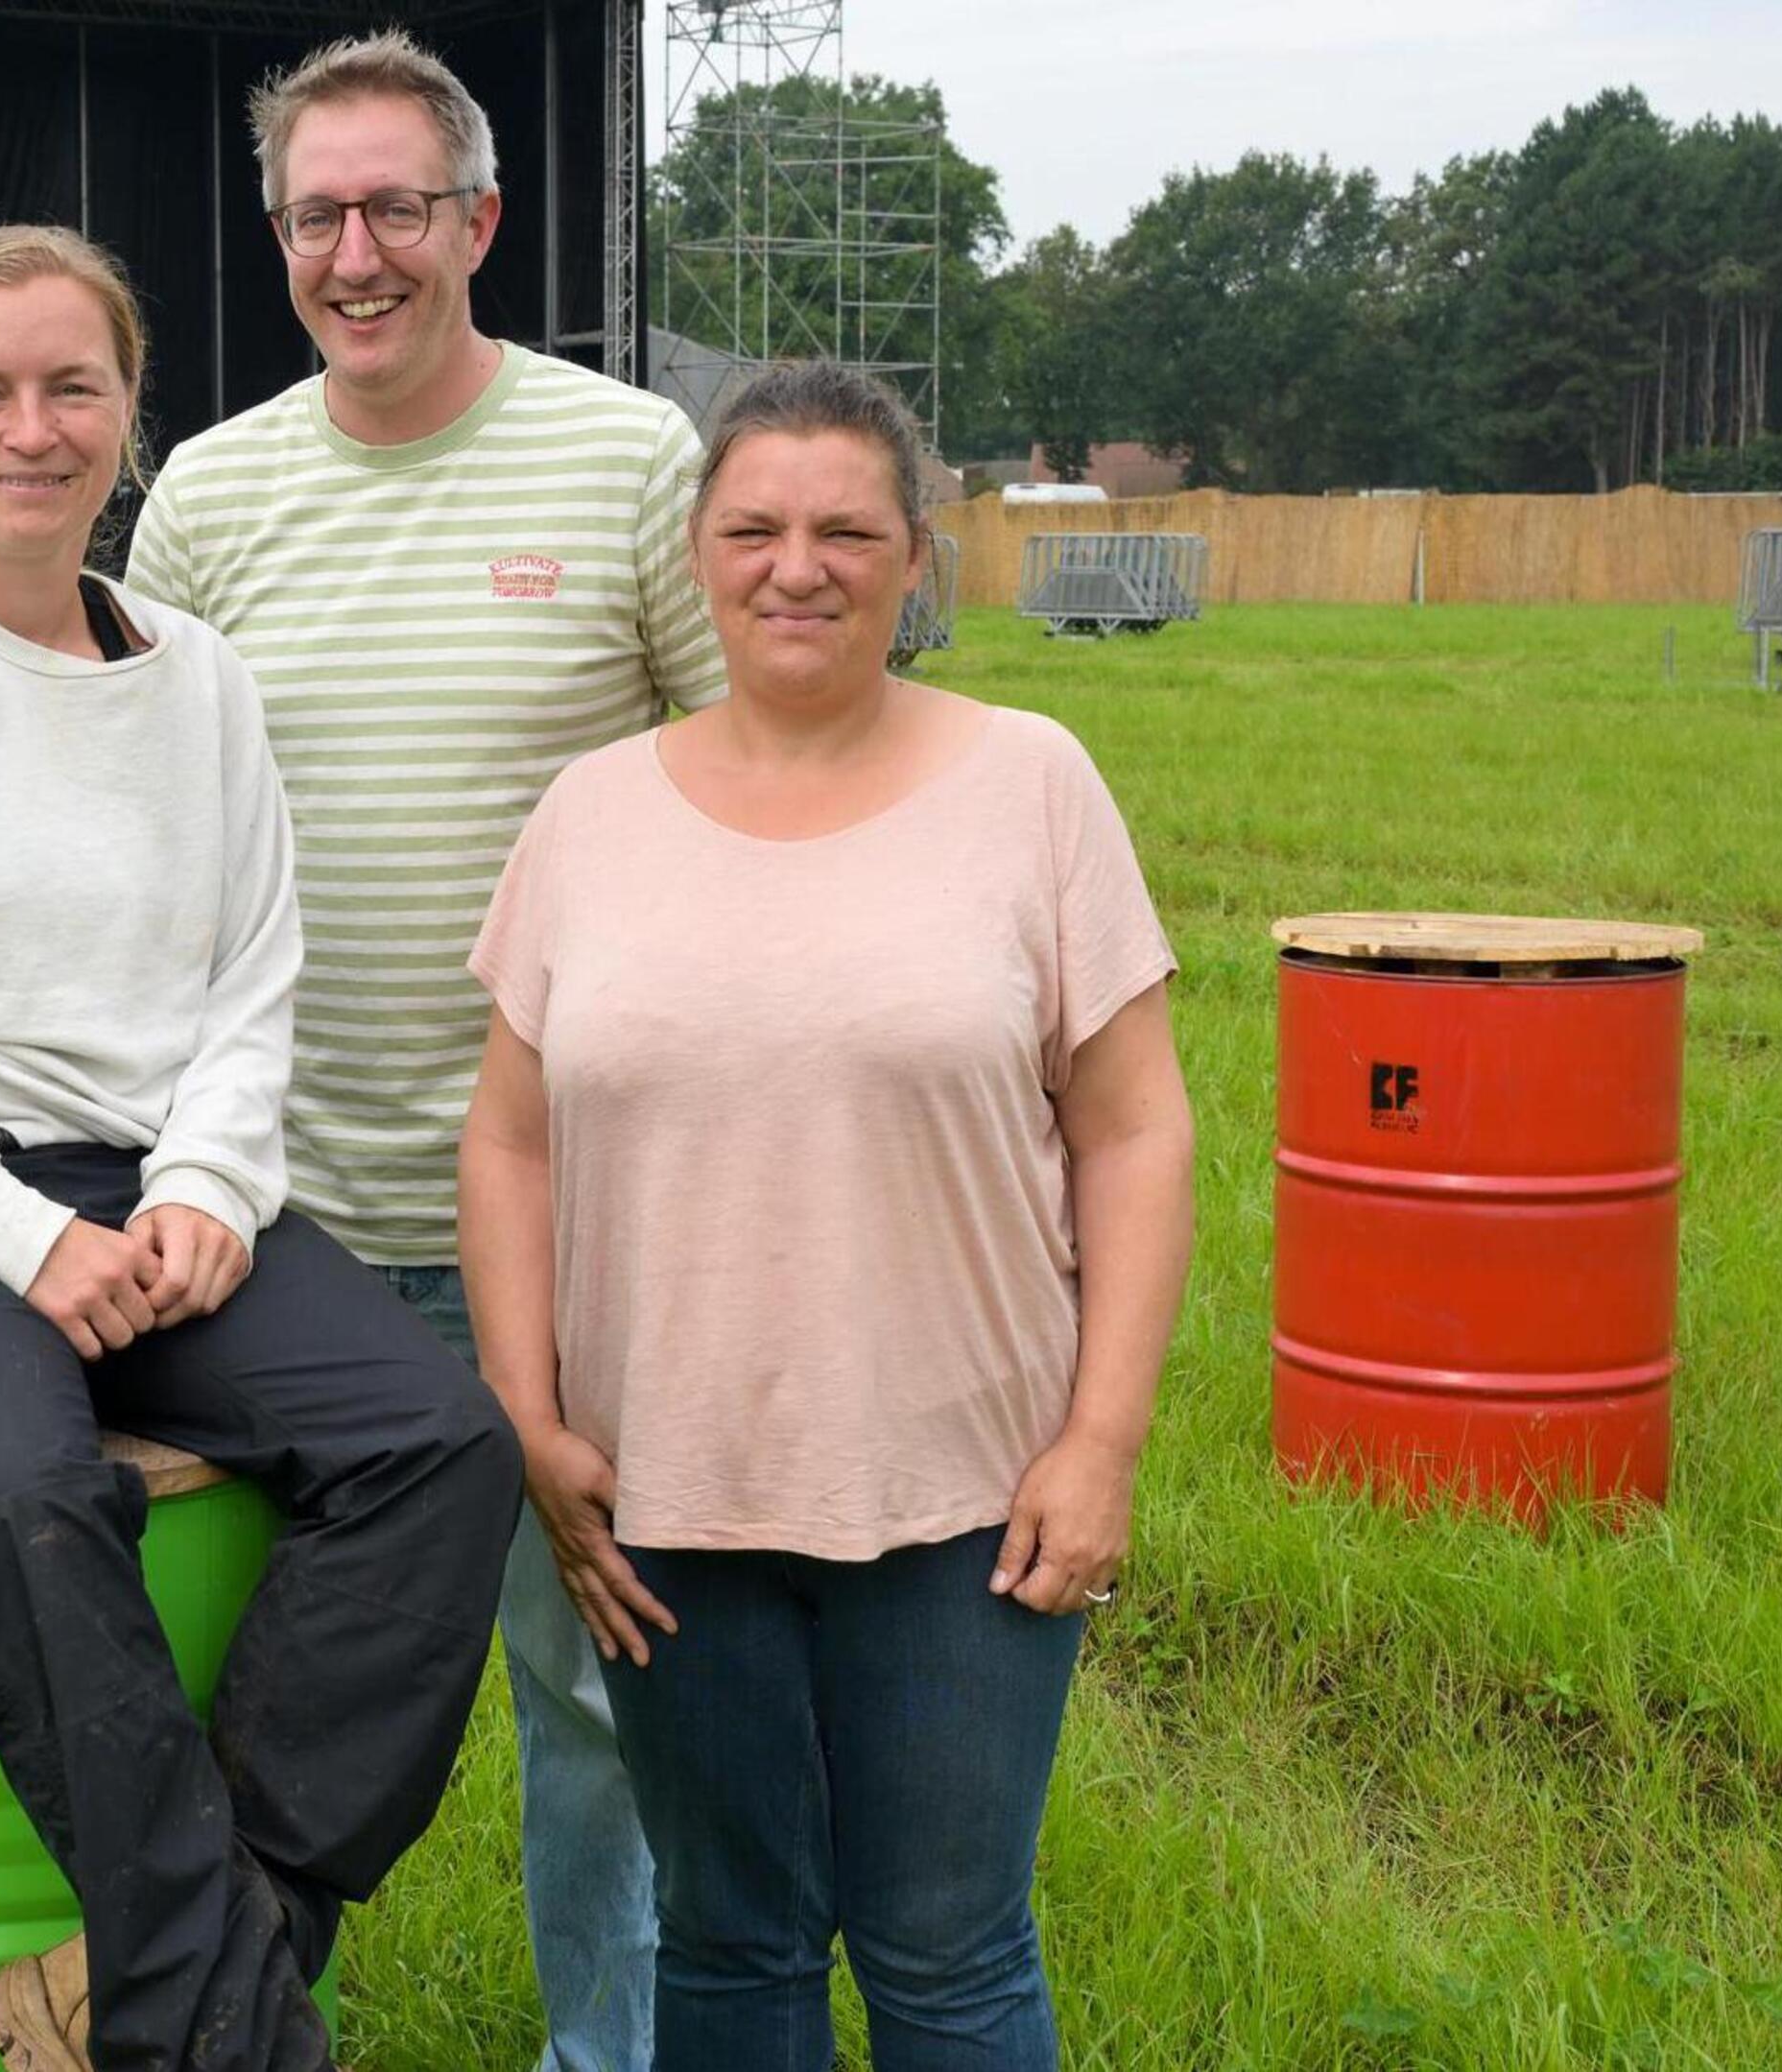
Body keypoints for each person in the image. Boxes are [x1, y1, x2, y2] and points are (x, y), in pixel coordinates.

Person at [0, 223, 520, 2072]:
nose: (29, 430)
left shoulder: (196, 681)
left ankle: (210, 1943)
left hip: (134, 1189)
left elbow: (251, 976)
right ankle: (227, 2035)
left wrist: (211, 1185)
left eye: (75, 387)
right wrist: (6, 1231)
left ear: (133, 416)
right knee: (21, 1490)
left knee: (442, 1444)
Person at [459, 360, 1197, 2072]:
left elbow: (1139, 1132)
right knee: (730, 1946)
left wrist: (1103, 1442)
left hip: (966, 1495)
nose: (801, 565)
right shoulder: (592, 815)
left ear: (916, 556)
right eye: (757, 528)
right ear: (699, 554)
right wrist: (524, 1412)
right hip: (666, 1498)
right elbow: (507, 1142)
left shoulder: (1032, 784)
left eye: (848, 529)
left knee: (945, 1953)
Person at [121, 36, 719, 2069]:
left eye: (394, 209)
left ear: (481, 220)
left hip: (576, 1228)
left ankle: (613, 2052)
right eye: (315, 214)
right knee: (260, 1699)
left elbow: (750, 793)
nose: (353, 252)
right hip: (272, 1233)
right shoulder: (206, 496)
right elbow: (143, 842)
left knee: (605, 1698)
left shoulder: (633, 461)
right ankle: (253, 2037)